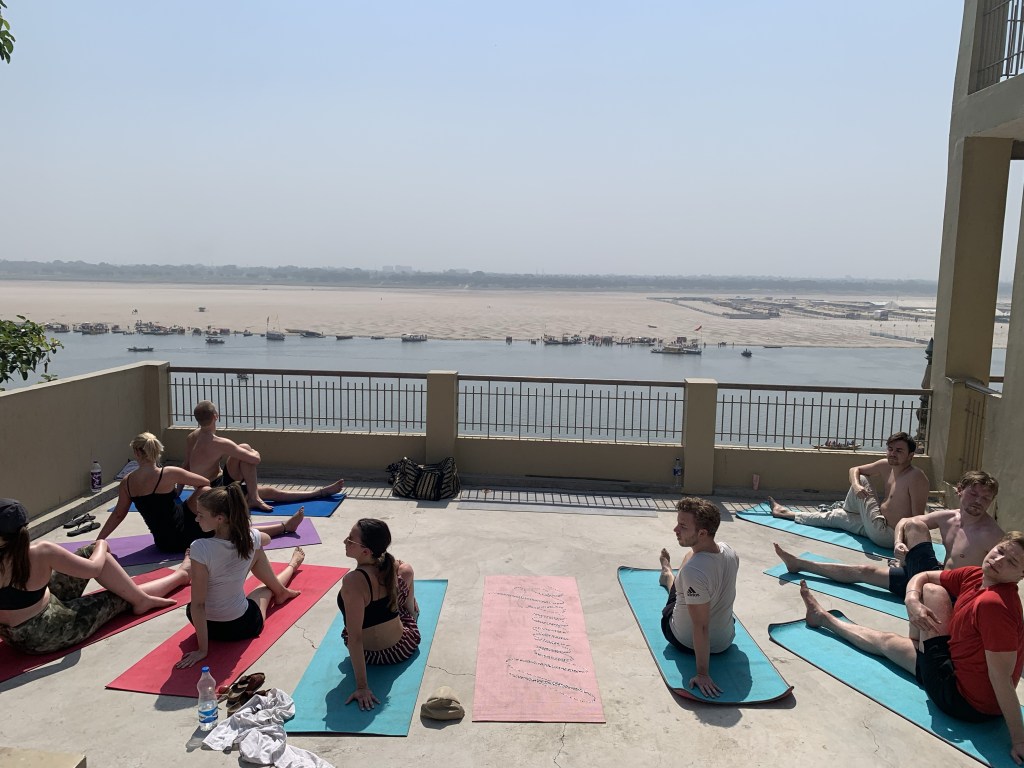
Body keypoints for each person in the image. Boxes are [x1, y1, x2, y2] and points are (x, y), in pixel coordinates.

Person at [797, 532, 1024, 765]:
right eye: (1000, 551)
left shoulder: (995, 604)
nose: (999, 560)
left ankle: (826, 619)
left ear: (1021, 575)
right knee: (893, 634)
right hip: (958, 668)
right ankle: (821, 618)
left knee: (927, 598)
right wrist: (912, 599)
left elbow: (1001, 678)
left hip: (963, 701)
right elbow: (923, 575)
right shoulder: (975, 576)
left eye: (1012, 562)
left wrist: (1019, 740)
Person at [0, 498, 188, 654]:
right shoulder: (41, 552)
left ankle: (140, 597)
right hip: (46, 633)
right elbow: (93, 569)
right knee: (119, 594)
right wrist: (102, 545)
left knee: (89, 552)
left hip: (12, 634)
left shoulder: (34, 555)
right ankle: (176, 578)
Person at [773, 470, 1003, 598]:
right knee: (869, 567)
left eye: (986, 498)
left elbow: (1007, 575)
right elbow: (904, 522)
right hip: (930, 576)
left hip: (946, 593)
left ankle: (912, 578)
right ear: (959, 491)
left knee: (914, 528)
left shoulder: (993, 535)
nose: (978, 501)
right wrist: (898, 543)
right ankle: (799, 564)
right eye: (974, 494)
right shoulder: (949, 517)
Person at [96, 433, 305, 552]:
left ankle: (274, 523)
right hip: (186, 535)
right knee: (225, 526)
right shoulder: (168, 473)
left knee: (209, 509)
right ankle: (284, 527)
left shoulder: (127, 482)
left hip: (163, 543)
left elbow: (119, 514)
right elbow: (204, 483)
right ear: (156, 451)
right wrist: (201, 513)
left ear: (136, 452)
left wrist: (99, 540)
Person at [175, 483, 305, 669]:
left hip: (208, 627)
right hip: (240, 626)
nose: (196, 519)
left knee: (255, 552)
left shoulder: (200, 547)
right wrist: (247, 533)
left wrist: (203, 650)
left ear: (220, 518)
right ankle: (288, 575)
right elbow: (266, 539)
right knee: (262, 588)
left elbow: (198, 604)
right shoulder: (250, 537)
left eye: (201, 515)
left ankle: (283, 588)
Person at [768, 431, 929, 547]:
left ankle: (847, 509)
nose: (892, 454)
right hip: (875, 524)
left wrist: (909, 548)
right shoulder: (885, 465)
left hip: (890, 534)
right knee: (837, 517)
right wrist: (856, 486)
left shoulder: (916, 477)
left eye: (899, 451)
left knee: (863, 479)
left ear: (911, 455)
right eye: (890, 449)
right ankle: (786, 513)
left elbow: (919, 520)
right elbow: (854, 469)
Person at [184, 401, 345, 512]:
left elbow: (185, 466)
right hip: (217, 491)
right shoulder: (220, 443)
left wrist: (177, 495)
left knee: (244, 448)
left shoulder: (193, 436)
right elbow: (255, 460)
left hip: (211, 484)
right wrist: (256, 452)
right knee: (270, 491)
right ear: (216, 416)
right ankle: (318, 493)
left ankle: (253, 497)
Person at [657, 496, 739, 698]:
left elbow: (701, 627)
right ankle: (672, 577)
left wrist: (703, 674)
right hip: (725, 641)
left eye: (683, 526)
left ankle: (667, 574)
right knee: (692, 561)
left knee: (682, 579)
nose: (675, 529)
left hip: (685, 642)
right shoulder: (730, 551)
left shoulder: (693, 571)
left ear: (702, 532)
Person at [337, 518, 420, 710]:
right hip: (403, 647)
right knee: (407, 570)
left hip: (371, 655)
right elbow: (400, 568)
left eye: (350, 539)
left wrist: (362, 687)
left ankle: (409, 611)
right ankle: (411, 611)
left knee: (357, 619)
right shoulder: (386, 564)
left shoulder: (353, 581)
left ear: (366, 552)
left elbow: (355, 638)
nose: (345, 541)